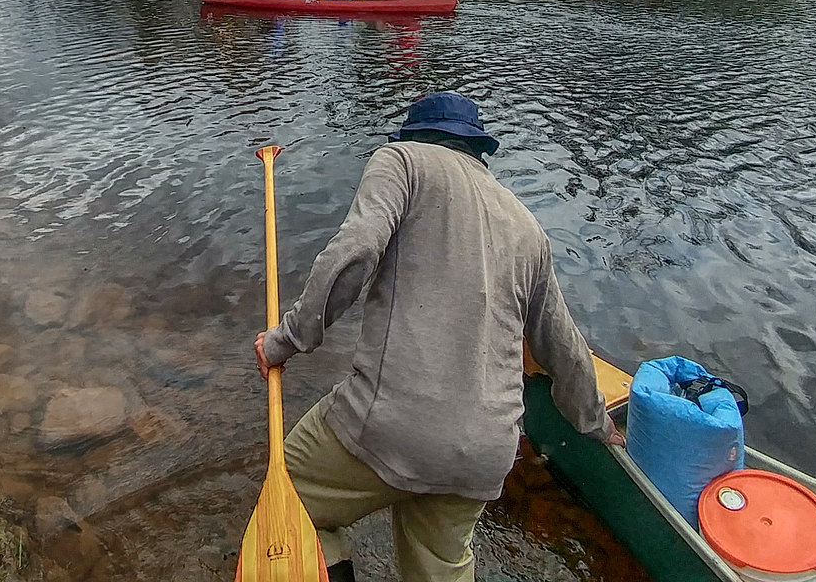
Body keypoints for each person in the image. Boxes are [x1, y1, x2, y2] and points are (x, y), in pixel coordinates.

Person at [253, 92, 617, 582]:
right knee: (441, 566)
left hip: (392, 425)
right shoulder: (529, 229)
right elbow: (565, 349)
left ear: (416, 135)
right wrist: (598, 425)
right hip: (484, 457)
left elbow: (355, 252)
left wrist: (285, 341)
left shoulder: (401, 160)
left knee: (291, 503)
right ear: (476, 149)